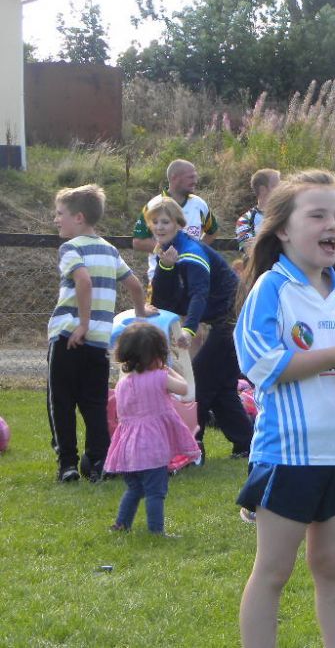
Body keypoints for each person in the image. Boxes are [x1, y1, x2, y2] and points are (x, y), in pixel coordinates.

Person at [233, 169, 335, 648]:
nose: (333, 225)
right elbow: (259, 362)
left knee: (332, 567)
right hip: (286, 456)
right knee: (273, 571)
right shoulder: (272, 288)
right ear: (282, 229)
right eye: (318, 215)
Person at [47, 184, 153, 483]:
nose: (56, 219)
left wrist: (82, 324)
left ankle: (68, 464)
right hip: (98, 343)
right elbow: (134, 284)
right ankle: (99, 461)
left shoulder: (71, 248)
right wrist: (141, 313)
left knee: (62, 402)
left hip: (69, 337)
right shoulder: (109, 250)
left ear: (79, 217)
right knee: (94, 403)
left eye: (60, 214)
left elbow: (83, 281)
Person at [144, 196, 252, 462]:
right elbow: (164, 300)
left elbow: (199, 294)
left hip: (233, 319)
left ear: (178, 224)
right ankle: (246, 444)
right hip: (221, 321)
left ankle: (192, 445)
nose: (159, 227)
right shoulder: (167, 253)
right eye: (155, 222)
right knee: (223, 387)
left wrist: (189, 330)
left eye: (165, 222)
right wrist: (165, 268)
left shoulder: (192, 252)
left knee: (201, 379)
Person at [105, 321, 201, 534]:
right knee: (155, 492)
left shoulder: (122, 384)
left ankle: (121, 525)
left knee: (135, 489)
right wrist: (170, 370)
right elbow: (184, 389)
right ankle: (156, 531)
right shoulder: (160, 377)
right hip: (152, 449)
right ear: (158, 353)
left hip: (128, 450)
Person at [132, 158, 219, 280]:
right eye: (191, 177)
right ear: (174, 178)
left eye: (195, 177)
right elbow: (138, 242)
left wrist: (196, 250)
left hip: (192, 277)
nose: (195, 181)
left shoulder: (200, 205)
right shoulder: (153, 205)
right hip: (160, 278)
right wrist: (167, 252)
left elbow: (212, 232)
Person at [236, 168, 281, 255]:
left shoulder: (288, 214)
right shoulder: (245, 220)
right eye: (276, 186)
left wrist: (259, 241)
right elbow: (250, 251)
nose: (281, 189)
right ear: (263, 190)